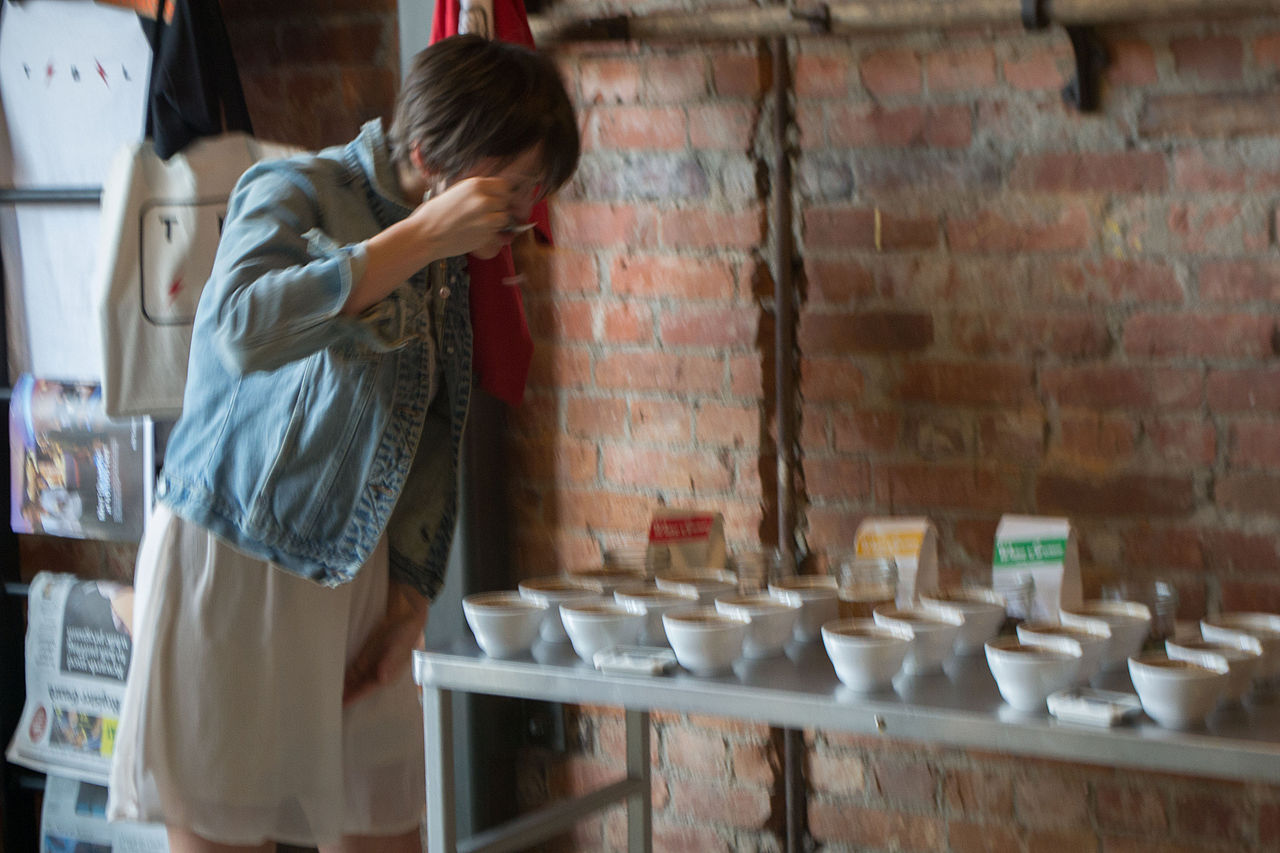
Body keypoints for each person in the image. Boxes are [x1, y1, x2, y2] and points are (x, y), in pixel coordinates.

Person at [106, 34, 580, 853]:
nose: (526, 210)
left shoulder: (448, 255)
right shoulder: (296, 190)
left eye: (537, 189)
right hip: (234, 558)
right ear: (433, 154)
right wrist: (421, 237)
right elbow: (243, 329)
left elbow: (432, 432)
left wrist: (408, 595)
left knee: (386, 823)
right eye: (515, 186)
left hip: (353, 565)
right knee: (223, 832)